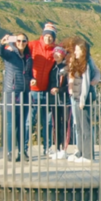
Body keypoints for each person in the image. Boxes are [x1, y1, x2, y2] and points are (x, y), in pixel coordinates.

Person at [0, 33, 33, 161]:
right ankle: (9, 152)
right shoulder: (11, 54)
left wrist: (32, 80)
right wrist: (2, 43)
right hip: (11, 93)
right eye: (18, 40)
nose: (21, 43)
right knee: (11, 124)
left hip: (24, 93)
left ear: (27, 42)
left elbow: (29, 73)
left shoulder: (29, 58)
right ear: (15, 41)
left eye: (24, 41)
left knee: (22, 124)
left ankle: (22, 151)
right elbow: (0, 53)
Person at [66, 37, 101, 164]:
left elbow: (85, 84)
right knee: (79, 127)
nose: (75, 52)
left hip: (82, 98)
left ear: (83, 51)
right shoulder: (77, 61)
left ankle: (88, 155)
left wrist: (82, 100)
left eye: (77, 50)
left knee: (85, 127)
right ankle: (80, 152)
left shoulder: (86, 63)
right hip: (75, 96)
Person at [27, 22, 58, 155]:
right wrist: (8, 42)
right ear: (43, 35)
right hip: (31, 91)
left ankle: (47, 149)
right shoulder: (33, 45)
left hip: (46, 91)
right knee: (28, 122)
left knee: (48, 123)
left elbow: (67, 51)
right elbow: (18, 43)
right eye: (46, 35)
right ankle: (23, 149)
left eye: (51, 36)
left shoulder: (55, 50)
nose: (48, 38)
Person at [47, 46, 71, 160]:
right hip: (54, 100)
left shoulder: (66, 68)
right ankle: (56, 148)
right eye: (54, 53)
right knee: (56, 124)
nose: (56, 55)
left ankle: (64, 149)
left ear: (62, 55)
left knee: (65, 124)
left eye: (58, 53)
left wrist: (59, 90)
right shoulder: (52, 67)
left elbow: (69, 85)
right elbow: (49, 82)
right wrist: (51, 90)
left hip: (65, 100)